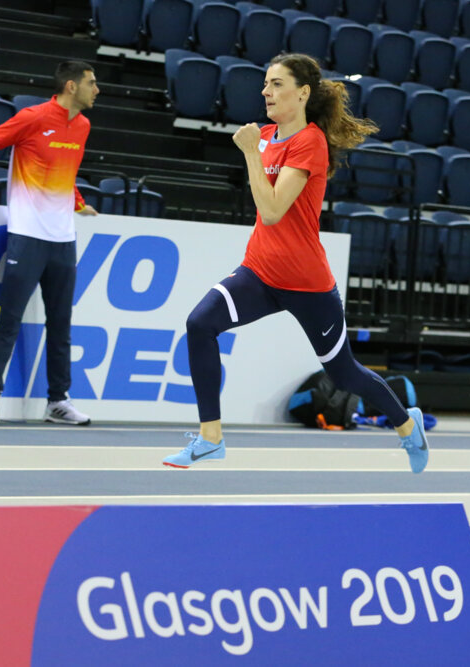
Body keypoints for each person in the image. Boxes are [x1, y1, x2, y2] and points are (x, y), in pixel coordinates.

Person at [162, 53, 430, 473]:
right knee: (200, 324)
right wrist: (257, 147)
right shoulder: (267, 135)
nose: (266, 92)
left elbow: (271, 210)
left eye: (276, 84)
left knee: (344, 374)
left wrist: (250, 153)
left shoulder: (310, 143)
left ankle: (405, 424)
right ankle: (210, 438)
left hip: (307, 283)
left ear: (303, 93)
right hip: (260, 271)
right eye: (265, 84)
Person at [0, 61, 99, 425]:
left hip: (63, 239)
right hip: (26, 234)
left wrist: (79, 202)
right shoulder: (33, 117)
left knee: (61, 324)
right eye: (91, 83)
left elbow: (65, 174)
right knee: (9, 319)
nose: (96, 90)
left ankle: (58, 401)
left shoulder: (83, 125)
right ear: (71, 86)